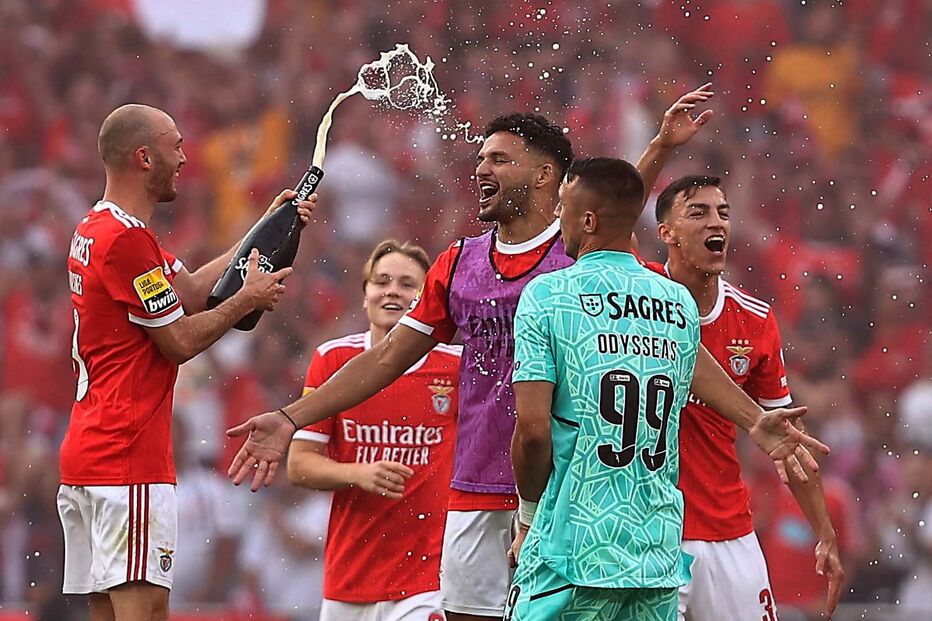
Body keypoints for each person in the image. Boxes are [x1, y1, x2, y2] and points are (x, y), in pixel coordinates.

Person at [227, 90, 827, 621]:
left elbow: (664, 314)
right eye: (480, 156)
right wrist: (290, 417)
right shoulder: (458, 262)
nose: (480, 167)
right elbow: (385, 360)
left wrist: (753, 420)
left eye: (498, 158)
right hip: (471, 491)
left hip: (563, 503)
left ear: (545, 177)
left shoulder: (581, 257)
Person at [505, 158, 830, 620]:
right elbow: (695, 361)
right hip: (656, 549)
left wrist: (528, 515)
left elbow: (534, 430)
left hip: (575, 544)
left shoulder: (548, 294)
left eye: (562, 209)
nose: (557, 220)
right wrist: (755, 419)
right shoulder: (672, 300)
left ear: (589, 221)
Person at [58, 103, 313, 621]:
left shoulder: (103, 227)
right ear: (144, 157)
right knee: (146, 613)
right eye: (175, 146)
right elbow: (176, 339)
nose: (185, 157)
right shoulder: (126, 240)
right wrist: (248, 299)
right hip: (127, 460)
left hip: (93, 455)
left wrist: (263, 226)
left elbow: (194, 289)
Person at [648, 175, 845, 620]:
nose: (715, 222)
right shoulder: (637, 295)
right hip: (648, 531)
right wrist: (660, 146)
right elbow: (600, 219)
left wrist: (824, 533)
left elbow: (789, 441)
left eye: (722, 212)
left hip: (727, 530)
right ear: (666, 233)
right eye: (697, 213)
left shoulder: (754, 319)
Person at [287, 239, 461, 620]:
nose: (393, 291)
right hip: (349, 578)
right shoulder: (333, 359)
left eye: (407, 284)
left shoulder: (455, 367)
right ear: (365, 294)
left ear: (427, 298)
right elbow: (299, 465)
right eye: (382, 281)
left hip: (428, 579)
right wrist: (357, 473)